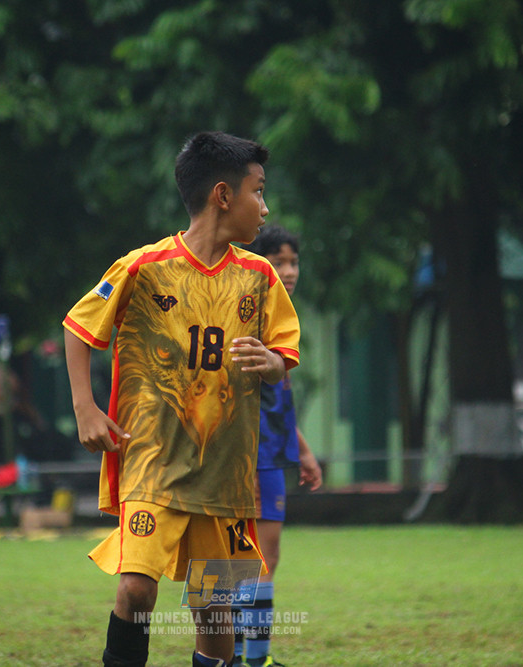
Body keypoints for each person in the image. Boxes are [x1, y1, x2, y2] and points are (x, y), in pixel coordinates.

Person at [64, 130, 301, 667]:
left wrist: (271, 362)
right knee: (136, 591)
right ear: (223, 195)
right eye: (257, 192)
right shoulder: (143, 268)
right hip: (152, 465)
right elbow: (79, 328)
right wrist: (85, 406)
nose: (264, 208)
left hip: (225, 476)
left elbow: (284, 349)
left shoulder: (260, 277)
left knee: (216, 619)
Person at [234, 225, 324, 667]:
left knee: (254, 556)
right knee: (242, 557)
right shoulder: (245, 312)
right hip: (242, 455)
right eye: (278, 261)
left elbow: (279, 400)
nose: (288, 271)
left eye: (293, 262)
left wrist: (303, 450)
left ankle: (245, 657)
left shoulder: (280, 316)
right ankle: (241, 658)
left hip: (268, 452)